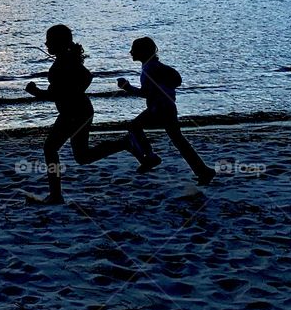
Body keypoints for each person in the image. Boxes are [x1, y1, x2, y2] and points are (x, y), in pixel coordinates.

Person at [24, 24, 146, 204]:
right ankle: (125, 143)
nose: (45, 43)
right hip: (80, 111)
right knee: (82, 156)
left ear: (58, 42)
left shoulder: (62, 64)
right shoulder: (68, 60)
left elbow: (57, 94)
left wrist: (35, 91)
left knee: (50, 149)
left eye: (49, 40)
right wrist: (74, 91)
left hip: (74, 114)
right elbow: (85, 78)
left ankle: (56, 196)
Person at [117, 37, 217, 186]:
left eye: (134, 49)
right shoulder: (156, 66)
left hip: (159, 108)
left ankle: (150, 156)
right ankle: (202, 170)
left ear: (143, 52)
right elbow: (177, 79)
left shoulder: (149, 68)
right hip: (168, 106)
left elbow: (145, 93)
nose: (131, 52)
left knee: (134, 126)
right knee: (178, 140)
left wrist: (127, 87)